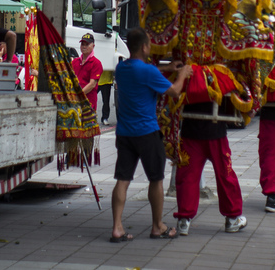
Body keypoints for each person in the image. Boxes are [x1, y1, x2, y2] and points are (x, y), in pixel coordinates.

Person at [110, 28, 193, 242]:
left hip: (125, 134)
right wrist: (182, 74)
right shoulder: (148, 72)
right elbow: (174, 91)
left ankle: (117, 228)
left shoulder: (121, 69)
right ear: (145, 46)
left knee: (122, 179)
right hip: (147, 133)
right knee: (156, 179)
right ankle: (158, 226)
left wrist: (166, 67)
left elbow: (145, 70)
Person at [173, 102, 247, 235]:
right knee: (225, 174)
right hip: (215, 132)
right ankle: (232, 218)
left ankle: (183, 219)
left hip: (191, 131)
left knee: (187, 176)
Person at [72, 33, 103, 114]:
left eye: (87, 44)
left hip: (88, 102)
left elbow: (92, 84)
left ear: (93, 46)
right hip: (74, 102)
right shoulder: (75, 62)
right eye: (82, 44)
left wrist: (78, 95)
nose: (84, 46)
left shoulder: (96, 63)